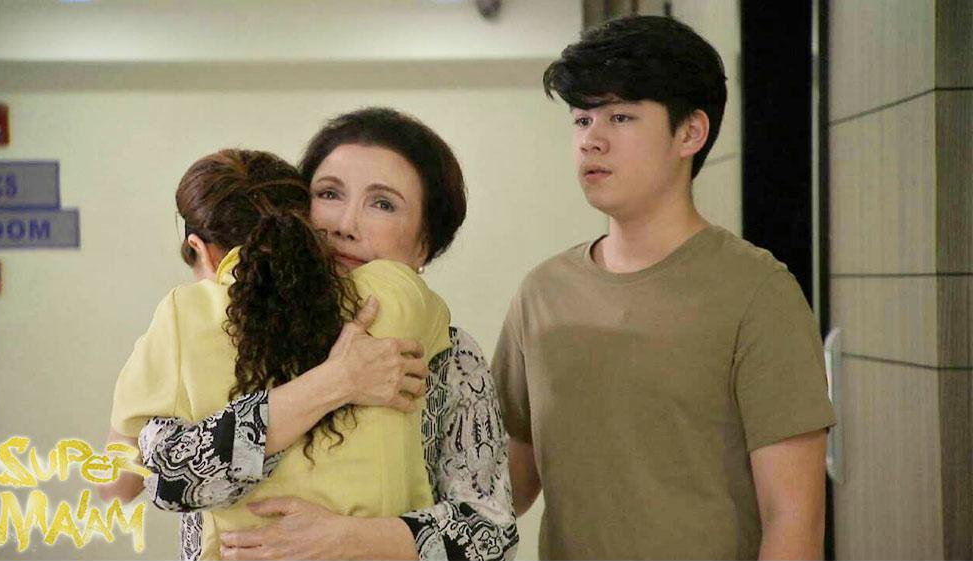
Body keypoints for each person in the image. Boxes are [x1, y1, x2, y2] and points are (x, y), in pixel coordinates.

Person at [491, 15, 836, 560]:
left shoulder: (758, 293)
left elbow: (793, 522)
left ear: (690, 133)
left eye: (620, 116)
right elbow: (506, 481)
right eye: (582, 120)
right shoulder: (542, 293)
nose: (591, 140)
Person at [128, 108, 517, 561]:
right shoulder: (221, 326)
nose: (343, 225)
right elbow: (165, 478)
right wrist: (334, 382)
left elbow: (492, 534)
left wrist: (349, 539)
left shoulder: (447, 353)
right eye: (329, 194)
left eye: (383, 204)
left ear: (424, 244)